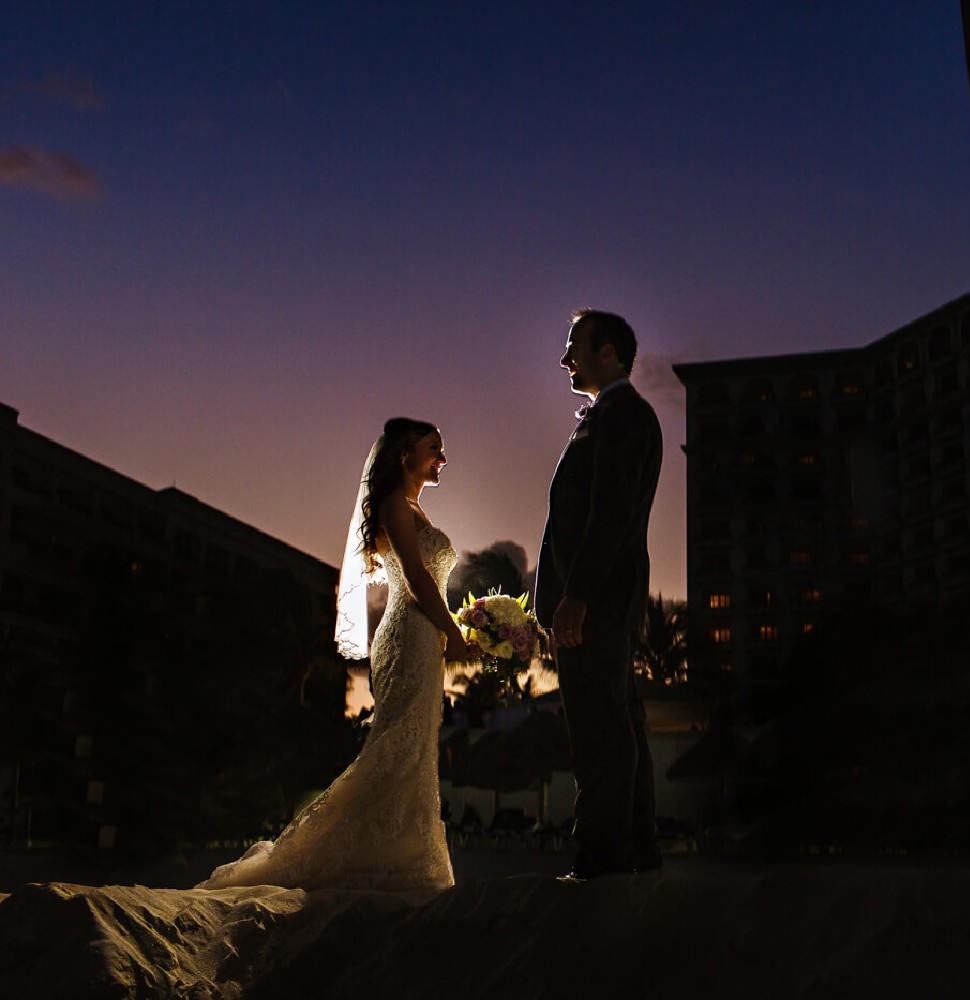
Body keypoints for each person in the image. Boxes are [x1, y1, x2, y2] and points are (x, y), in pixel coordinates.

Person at [197, 418, 473, 892]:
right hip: (409, 635)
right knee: (395, 746)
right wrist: (456, 633)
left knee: (416, 749)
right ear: (405, 455)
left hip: (427, 639)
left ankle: (403, 852)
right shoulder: (393, 506)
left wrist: (461, 628)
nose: (443, 458)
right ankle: (343, 856)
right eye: (434, 449)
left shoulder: (417, 511)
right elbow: (416, 582)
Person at [536, 309, 663, 880]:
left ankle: (604, 860)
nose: (565, 359)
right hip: (594, 600)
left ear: (607, 352)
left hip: (601, 601)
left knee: (601, 728)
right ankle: (633, 854)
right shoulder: (606, 417)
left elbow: (610, 513)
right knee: (614, 720)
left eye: (574, 348)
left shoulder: (627, 416)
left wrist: (577, 596)